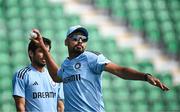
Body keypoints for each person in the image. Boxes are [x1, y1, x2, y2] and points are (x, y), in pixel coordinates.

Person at [31, 25, 169, 112]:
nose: (80, 41)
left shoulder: (92, 57)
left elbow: (119, 70)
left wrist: (145, 76)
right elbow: (56, 76)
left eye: (83, 39)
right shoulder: (66, 64)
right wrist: (43, 47)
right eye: (75, 37)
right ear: (66, 41)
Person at [12, 37, 64, 112]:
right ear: (31, 53)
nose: (45, 55)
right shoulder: (22, 75)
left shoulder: (55, 75)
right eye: (41, 51)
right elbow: (20, 106)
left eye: (47, 52)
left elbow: (60, 106)